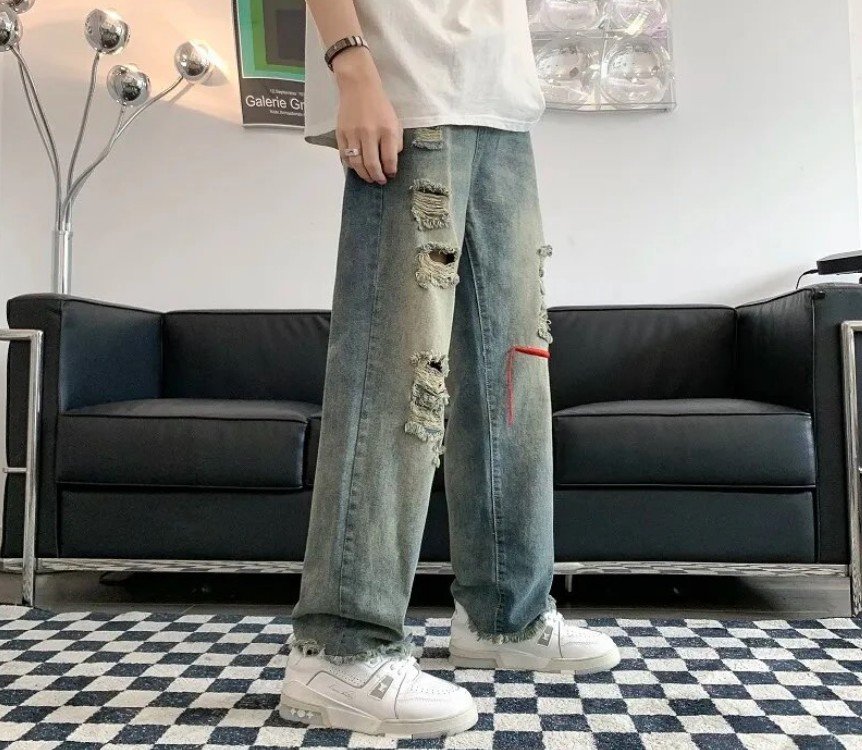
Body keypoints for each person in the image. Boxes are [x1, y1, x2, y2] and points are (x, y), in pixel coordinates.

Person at [280, 0, 621, 738]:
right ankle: (340, 647)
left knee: (513, 372)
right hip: (407, 87)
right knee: (397, 367)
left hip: (501, 103)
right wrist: (351, 64)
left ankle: (505, 614)